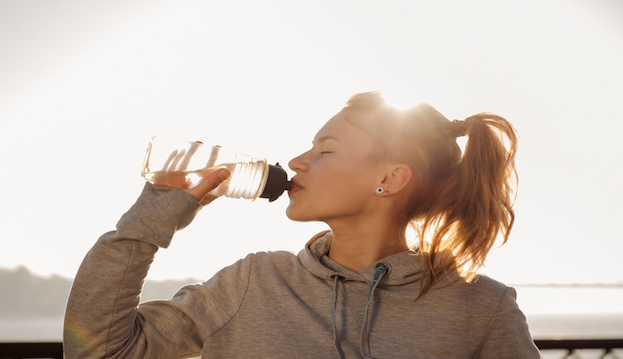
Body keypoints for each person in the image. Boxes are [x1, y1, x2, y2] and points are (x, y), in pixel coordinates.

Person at [64, 91, 540, 358]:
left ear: (389, 178)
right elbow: (98, 352)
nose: (296, 161)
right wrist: (155, 212)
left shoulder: (483, 309)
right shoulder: (253, 283)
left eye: (324, 150)